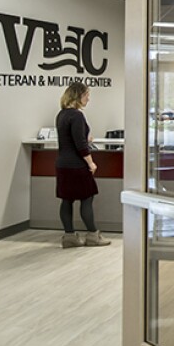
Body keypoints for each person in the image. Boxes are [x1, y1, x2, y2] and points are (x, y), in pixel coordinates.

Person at [55, 82, 111, 248]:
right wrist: (91, 163)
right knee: (87, 198)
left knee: (67, 200)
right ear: (78, 95)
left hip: (63, 164)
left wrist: (85, 138)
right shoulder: (77, 115)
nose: (88, 98)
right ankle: (93, 235)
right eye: (86, 94)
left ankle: (69, 237)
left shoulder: (62, 114)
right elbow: (80, 145)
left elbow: (71, 138)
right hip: (77, 166)